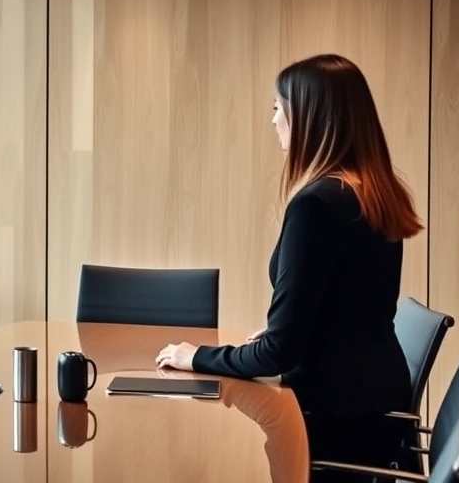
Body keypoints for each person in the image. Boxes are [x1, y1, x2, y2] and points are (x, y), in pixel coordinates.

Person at [155, 54, 418, 478]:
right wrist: (294, 332)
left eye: (279, 107)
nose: (274, 119)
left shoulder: (317, 205)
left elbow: (280, 351)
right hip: (375, 412)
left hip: (332, 423)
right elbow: (350, 308)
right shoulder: (374, 192)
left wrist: (197, 357)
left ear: (309, 116)